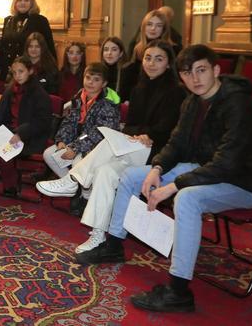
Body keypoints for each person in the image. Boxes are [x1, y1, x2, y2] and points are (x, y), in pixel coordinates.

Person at [75, 45, 252, 314]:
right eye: (187, 73)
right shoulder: (192, 101)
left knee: (187, 198)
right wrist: (157, 168)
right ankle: (113, 245)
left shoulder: (239, 105)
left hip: (247, 182)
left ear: (216, 70)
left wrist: (174, 185)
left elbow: (227, 163)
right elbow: (177, 143)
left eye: (201, 70)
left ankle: (178, 290)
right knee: (130, 176)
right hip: (207, 169)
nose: (195, 78)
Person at [37, 41, 184, 253]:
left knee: (106, 140)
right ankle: (98, 234)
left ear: (169, 64)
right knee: (105, 172)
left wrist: (147, 135)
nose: (151, 63)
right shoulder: (139, 88)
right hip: (134, 145)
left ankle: (73, 180)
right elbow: (130, 123)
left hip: (156, 151)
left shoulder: (176, 92)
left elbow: (168, 128)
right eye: (148, 58)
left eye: (158, 59)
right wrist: (136, 134)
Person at [0, 56, 53, 197]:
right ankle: (11, 174)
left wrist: (21, 133)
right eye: (14, 72)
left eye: (21, 71)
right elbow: (0, 115)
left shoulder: (39, 93)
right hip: (10, 132)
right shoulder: (11, 90)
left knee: (2, 153)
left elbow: (42, 122)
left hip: (30, 136)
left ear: (30, 71)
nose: (17, 76)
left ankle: (10, 184)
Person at [41, 62, 121, 179]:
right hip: (78, 142)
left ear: (104, 83)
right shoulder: (79, 96)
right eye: (88, 78)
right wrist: (62, 141)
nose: (90, 82)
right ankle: (71, 185)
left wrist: (75, 147)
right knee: (49, 154)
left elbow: (98, 133)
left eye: (96, 80)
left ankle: (85, 194)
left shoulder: (108, 103)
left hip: (97, 147)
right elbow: (69, 121)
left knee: (77, 163)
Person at [0, 0, 55, 81]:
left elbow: (49, 46)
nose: (22, 3)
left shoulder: (40, 20)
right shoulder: (8, 20)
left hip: (31, 69)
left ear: (32, 3)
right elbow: (2, 47)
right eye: (19, 0)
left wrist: (52, 68)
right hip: (9, 69)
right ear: (15, 3)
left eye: (26, 0)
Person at [122, 9, 180, 100]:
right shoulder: (137, 48)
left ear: (164, 29)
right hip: (141, 95)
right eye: (149, 24)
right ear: (144, 27)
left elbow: (176, 77)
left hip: (164, 96)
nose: (153, 28)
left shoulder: (174, 49)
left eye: (158, 25)